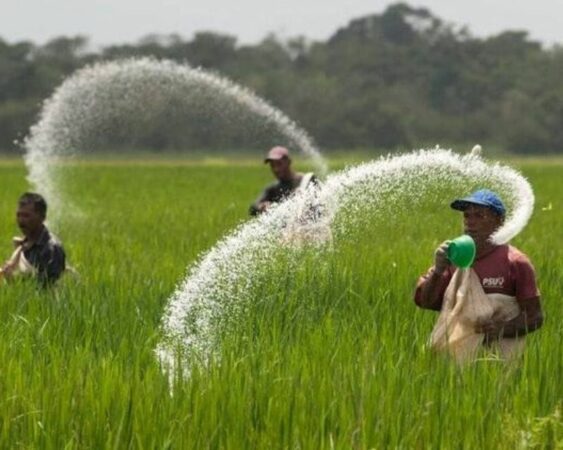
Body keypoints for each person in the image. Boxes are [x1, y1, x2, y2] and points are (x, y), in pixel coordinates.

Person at [414, 189, 543, 353]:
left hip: (500, 361)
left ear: (499, 222)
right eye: (467, 216)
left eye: (479, 216)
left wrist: (500, 329)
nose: (470, 222)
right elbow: (426, 302)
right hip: (456, 363)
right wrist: (438, 271)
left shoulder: (516, 262)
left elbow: (535, 317)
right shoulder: (453, 257)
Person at [0, 192, 66, 287]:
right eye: (19, 215)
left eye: (26, 216)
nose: (21, 221)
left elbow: (49, 287)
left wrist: (13, 279)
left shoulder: (51, 248)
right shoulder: (23, 244)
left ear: (42, 218)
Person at [249, 146, 316, 216]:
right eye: (272, 165)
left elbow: (319, 207)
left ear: (289, 162)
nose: (276, 169)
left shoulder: (307, 180)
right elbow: (253, 208)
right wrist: (262, 207)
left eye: (279, 164)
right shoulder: (273, 189)